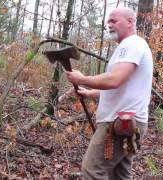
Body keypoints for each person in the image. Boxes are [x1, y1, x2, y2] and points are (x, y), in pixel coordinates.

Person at [65, 7, 153, 180]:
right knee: (119, 175)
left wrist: (83, 79)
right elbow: (119, 87)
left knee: (92, 170)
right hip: (126, 123)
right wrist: (89, 93)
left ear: (129, 22)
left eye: (114, 20)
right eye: (108, 21)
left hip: (120, 124)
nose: (109, 25)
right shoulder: (128, 47)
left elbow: (114, 80)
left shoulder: (132, 44)